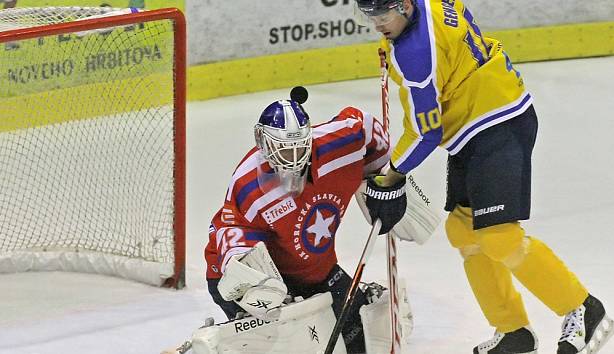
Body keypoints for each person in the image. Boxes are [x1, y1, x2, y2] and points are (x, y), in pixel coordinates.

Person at [352, 0, 613, 353]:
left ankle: (583, 307)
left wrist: (391, 175)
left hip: (497, 124)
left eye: (382, 16)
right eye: (370, 17)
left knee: (499, 236)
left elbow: (425, 133)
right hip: (475, 127)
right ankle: (513, 331)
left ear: (404, 6)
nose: (377, 25)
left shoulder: (415, 54)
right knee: (463, 231)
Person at [203, 87, 411, 353]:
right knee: (297, 345)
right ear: (264, 142)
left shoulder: (338, 145)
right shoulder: (249, 183)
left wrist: (390, 179)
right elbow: (230, 236)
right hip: (254, 282)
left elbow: (367, 128)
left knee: (363, 338)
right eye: (284, 150)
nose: (293, 158)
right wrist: (263, 290)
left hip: (316, 271)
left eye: (299, 147)